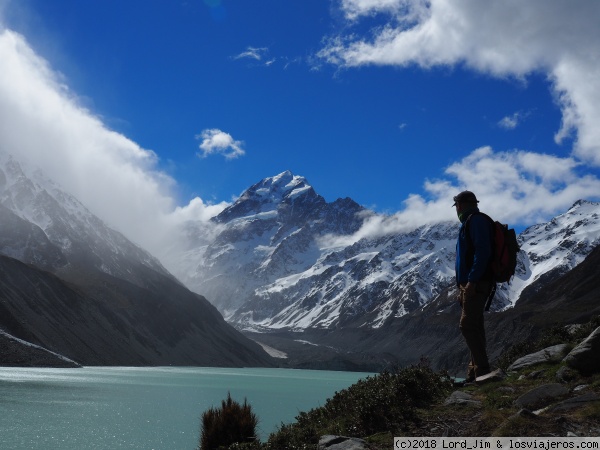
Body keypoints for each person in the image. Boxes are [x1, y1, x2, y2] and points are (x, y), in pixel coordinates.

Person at [453, 190, 493, 382]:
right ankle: (473, 374)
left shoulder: (475, 221)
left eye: (457, 206)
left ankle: (483, 372)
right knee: (475, 327)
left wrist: (472, 281)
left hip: (475, 284)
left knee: (467, 325)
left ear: (459, 205)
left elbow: (482, 252)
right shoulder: (469, 223)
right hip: (468, 284)